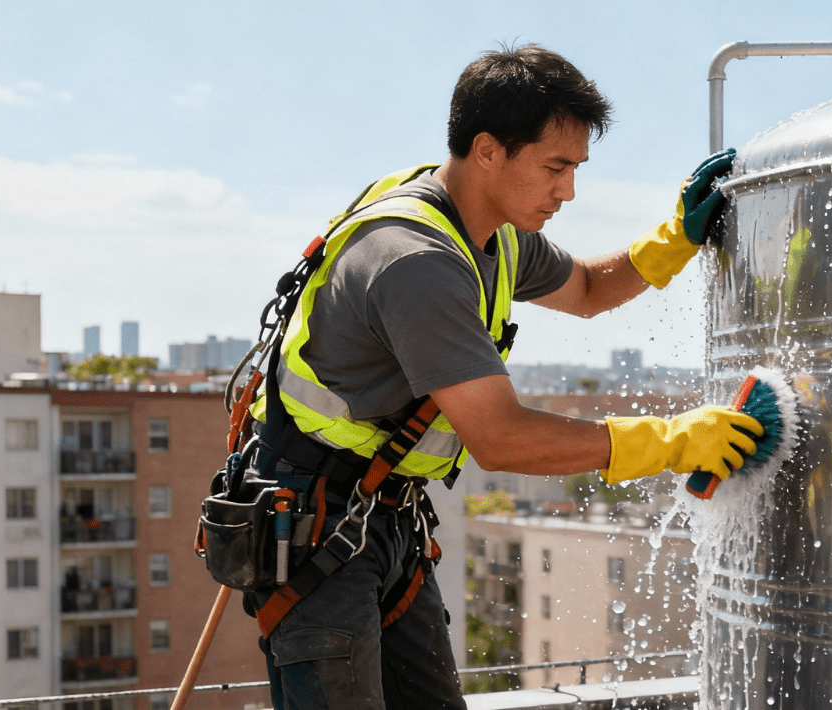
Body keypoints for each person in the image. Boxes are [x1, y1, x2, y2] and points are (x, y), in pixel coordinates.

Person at [247, 43, 762, 709]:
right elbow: (501, 438)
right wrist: (670, 443)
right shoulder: (416, 260)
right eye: (555, 167)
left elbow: (584, 287)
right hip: (318, 525)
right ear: (488, 150)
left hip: (383, 516)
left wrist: (675, 238)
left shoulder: (491, 230)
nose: (568, 190)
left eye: (574, 167)